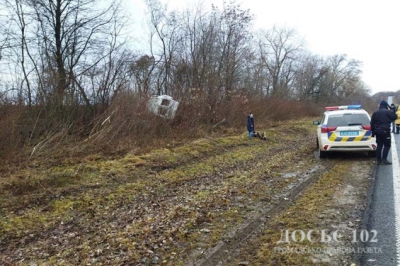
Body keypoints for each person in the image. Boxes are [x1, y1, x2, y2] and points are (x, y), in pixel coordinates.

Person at [371, 100, 398, 164]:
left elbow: (372, 123)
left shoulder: (375, 113)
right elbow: (395, 117)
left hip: (377, 131)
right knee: (387, 145)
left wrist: (373, 133)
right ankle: (384, 159)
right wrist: (391, 110)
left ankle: (378, 160)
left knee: (379, 145)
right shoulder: (388, 112)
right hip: (385, 130)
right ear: (386, 105)